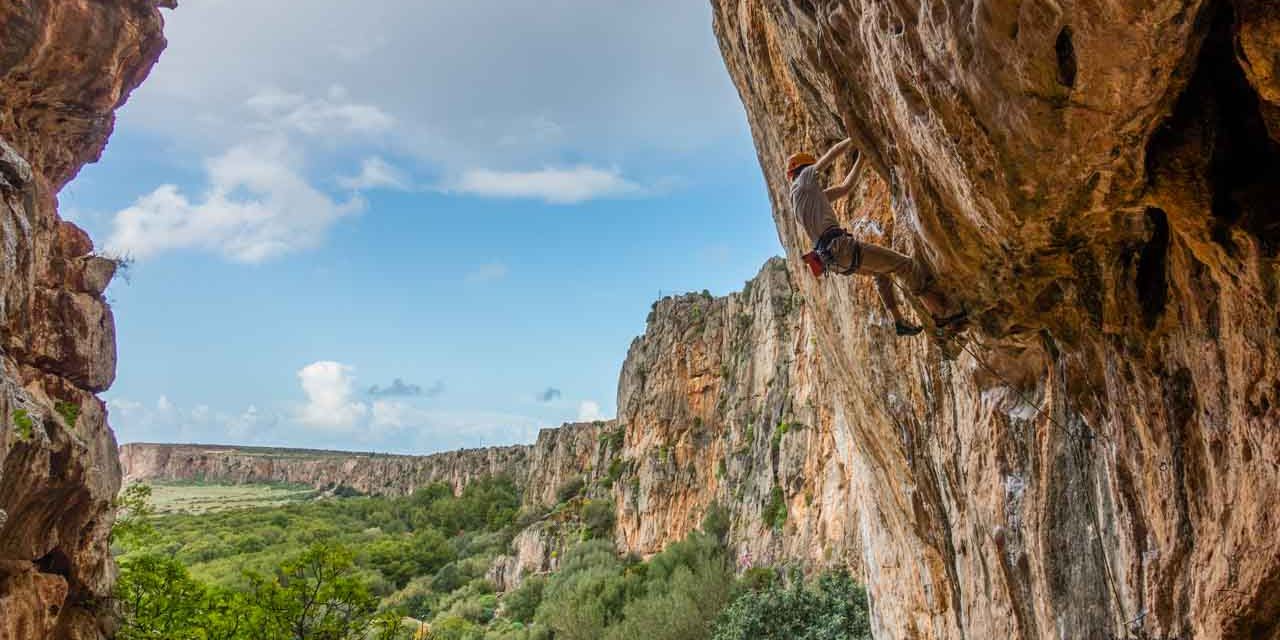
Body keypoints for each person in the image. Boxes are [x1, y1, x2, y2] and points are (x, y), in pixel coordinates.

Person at [787, 137, 965, 336]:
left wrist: (862, 158)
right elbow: (832, 154)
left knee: (880, 273)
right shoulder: (803, 182)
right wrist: (854, 136)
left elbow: (846, 187)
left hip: (834, 261)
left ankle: (898, 321)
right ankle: (941, 312)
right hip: (841, 248)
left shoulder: (806, 199)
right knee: (905, 266)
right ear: (803, 171)